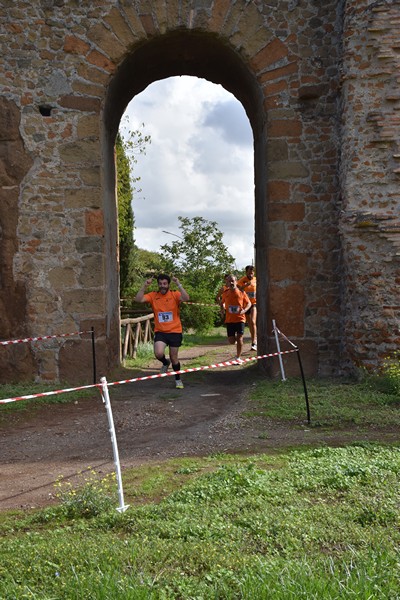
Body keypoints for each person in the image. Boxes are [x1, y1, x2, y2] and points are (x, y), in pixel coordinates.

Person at [135, 274, 189, 389]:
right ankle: (165, 362)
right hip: (161, 331)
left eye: (165, 284)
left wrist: (179, 284)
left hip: (175, 331)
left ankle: (178, 379)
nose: (162, 286)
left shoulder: (174, 294)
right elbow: (138, 299)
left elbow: (186, 298)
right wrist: (144, 286)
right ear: (158, 284)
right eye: (160, 284)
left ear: (168, 284)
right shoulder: (153, 295)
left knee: (174, 357)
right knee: (158, 353)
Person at [221, 274, 251, 364]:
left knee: (240, 338)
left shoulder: (241, 292)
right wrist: (222, 309)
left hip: (240, 319)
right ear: (226, 282)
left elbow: (249, 303)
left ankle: (238, 357)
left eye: (233, 281)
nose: (231, 283)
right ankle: (237, 347)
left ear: (236, 281)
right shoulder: (225, 293)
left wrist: (244, 310)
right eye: (229, 281)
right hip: (229, 320)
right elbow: (221, 302)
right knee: (231, 341)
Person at [237, 265, 257, 351]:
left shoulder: (256, 279)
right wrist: (244, 286)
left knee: (253, 321)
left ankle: (254, 342)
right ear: (246, 272)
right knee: (250, 324)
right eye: (249, 272)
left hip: (254, 304)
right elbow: (238, 290)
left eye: (252, 272)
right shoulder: (242, 280)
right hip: (245, 305)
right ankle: (254, 339)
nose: (251, 273)